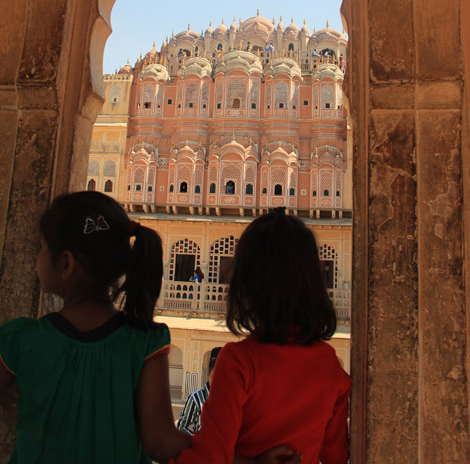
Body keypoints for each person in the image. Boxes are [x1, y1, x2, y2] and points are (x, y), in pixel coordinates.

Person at [0, 192, 300, 464]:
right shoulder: (144, 342)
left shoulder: (21, 340)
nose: (36, 258)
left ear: (65, 263)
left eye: (40, 248)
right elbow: (162, 443)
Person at [166, 208, 352, 464]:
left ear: (245, 284)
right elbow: (336, 457)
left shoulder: (239, 362)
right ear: (314, 284)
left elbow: (209, 457)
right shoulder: (329, 363)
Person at [177, 347, 222, 434]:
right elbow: (181, 427)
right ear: (208, 374)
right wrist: (197, 441)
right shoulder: (195, 398)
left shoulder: (231, 398)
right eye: (214, 376)